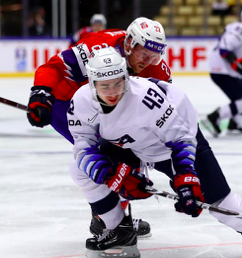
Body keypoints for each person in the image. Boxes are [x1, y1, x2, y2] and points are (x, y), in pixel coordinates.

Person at [68, 46, 242, 258]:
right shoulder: (80, 101)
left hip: (178, 141)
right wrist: (111, 175)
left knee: (220, 202)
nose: (112, 92)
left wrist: (186, 179)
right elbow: (83, 146)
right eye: (104, 86)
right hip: (133, 145)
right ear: (92, 83)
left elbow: (179, 139)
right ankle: (119, 230)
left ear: (126, 79)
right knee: (79, 169)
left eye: (117, 84)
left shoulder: (146, 99)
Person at [26, 17, 171, 239]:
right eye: (144, 53)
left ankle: (115, 217)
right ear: (131, 43)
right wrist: (41, 94)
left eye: (155, 55)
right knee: (100, 156)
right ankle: (105, 219)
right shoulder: (99, 47)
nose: (149, 60)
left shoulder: (156, 69)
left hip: (107, 107)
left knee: (129, 155)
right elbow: (53, 67)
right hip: (67, 103)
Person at [202, 5, 242, 138]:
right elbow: (225, 50)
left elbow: (235, 56)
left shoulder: (241, 30)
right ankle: (214, 118)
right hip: (222, 70)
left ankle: (235, 123)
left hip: (221, 69)